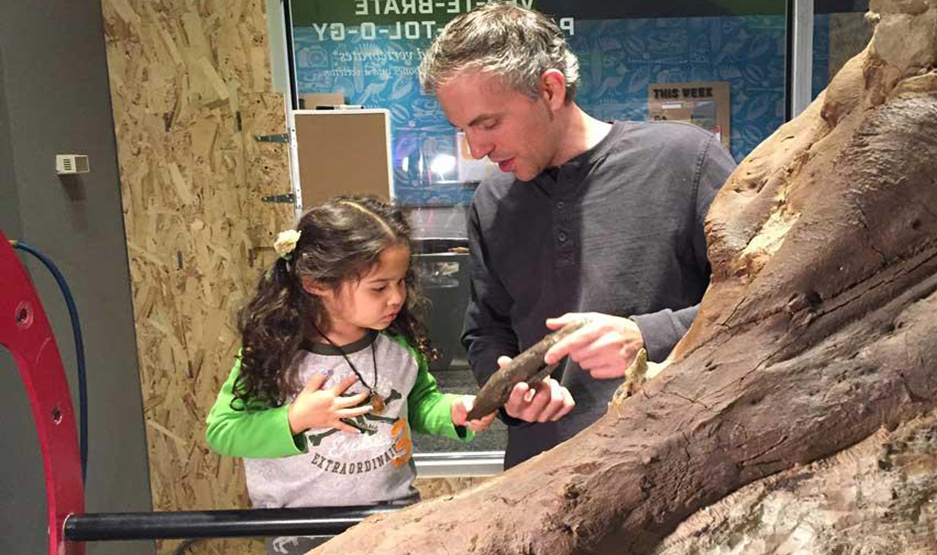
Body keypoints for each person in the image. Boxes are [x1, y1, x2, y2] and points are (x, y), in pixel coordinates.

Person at [419, 3, 737, 468]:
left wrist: (647, 336)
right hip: (538, 473)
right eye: (463, 128)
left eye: (487, 123)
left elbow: (766, 303)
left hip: (675, 461)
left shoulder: (687, 162)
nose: (476, 148)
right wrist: (508, 389)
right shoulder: (492, 200)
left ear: (549, 89)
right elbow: (487, 331)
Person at [205, 195, 494, 555]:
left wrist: (452, 413)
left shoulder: (398, 343)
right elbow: (223, 431)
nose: (397, 298)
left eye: (401, 282)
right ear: (316, 283)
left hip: (392, 521)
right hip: (302, 530)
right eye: (379, 287)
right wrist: (296, 419)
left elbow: (417, 402)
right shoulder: (275, 351)